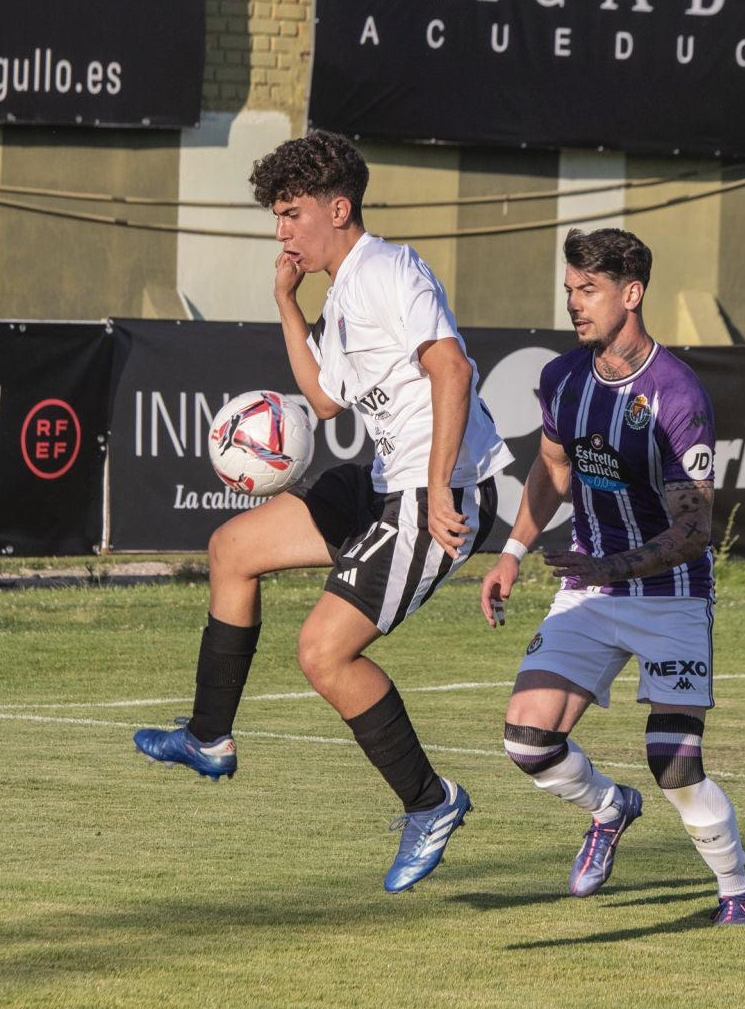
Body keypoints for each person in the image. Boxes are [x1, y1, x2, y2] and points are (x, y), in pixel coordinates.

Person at [134, 131, 512, 893]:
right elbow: (324, 398)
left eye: (292, 213)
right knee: (232, 549)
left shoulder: (387, 268)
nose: (281, 231)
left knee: (323, 653)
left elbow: (452, 366)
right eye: (276, 216)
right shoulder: (341, 291)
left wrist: (439, 487)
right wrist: (285, 301)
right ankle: (210, 737)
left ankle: (430, 802)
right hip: (385, 479)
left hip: (436, 493)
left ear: (339, 209)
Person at [478, 227, 745, 925]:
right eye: (570, 289)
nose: (575, 304)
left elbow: (695, 529)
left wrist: (610, 565)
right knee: (526, 739)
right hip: (590, 587)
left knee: (672, 760)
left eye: (590, 290)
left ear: (631, 293)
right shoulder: (563, 378)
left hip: (670, 596)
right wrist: (513, 552)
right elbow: (552, 471)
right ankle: (609, 809)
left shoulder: (676, 397)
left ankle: (739, 895)